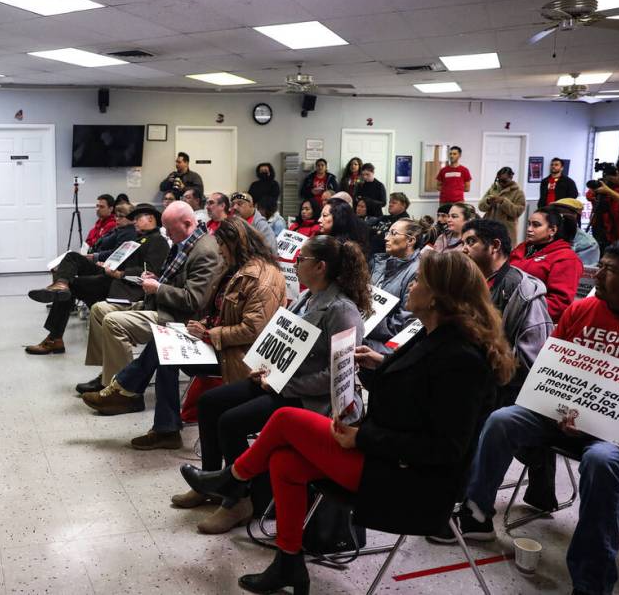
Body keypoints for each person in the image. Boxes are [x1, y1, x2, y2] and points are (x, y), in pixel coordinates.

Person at [182, 251, 511, 595]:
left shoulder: (461, 358)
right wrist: (380, 366)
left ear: (438, 297)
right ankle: (289, 563)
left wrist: (361, 439)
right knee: (283, 462)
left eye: (420, 281)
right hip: (388, 457)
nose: (411, 286)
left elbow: (444, 448)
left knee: (283, 420)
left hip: (413, 481)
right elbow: (417, 388)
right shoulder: (434, 334)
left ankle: (232, 479)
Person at [432, 240, 619, 595]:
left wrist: (594, 418)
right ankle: (476, 513)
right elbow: (554, 366)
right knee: (502, 419)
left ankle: (592, 580)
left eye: (610, 269)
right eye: (601, 265)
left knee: (601, 461)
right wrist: (562, 407)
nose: (598, 273)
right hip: (563, 412)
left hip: (615, 435)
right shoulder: (582, 309)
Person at [173, 235, 371, 535]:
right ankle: (211, 481)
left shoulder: (342, 310)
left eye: (301, 259)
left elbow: (336, 376)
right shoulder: (308, 297)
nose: (295, 262)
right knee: (209, 403)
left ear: (319, 266)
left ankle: (239, 500)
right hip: (279, 382)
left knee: (231, 421)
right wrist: (264, 366)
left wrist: (285, 385)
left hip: (310, 398)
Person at [81, 218, 285, 450]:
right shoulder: (235, 269)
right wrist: (205, 325)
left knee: (164, 349)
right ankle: (149, 413)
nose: (219, 251)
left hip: (239, 357)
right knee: (164, 345)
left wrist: (209, 333)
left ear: (235, 244)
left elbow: (252, 330)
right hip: (222, 344)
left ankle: (131, 396)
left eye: (222, 246)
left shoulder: (261, 278)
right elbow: (218, 310)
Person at [78, 202, 223, 393]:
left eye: (170, 229)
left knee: (113, 321)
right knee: (98, 309)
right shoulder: (184, 243)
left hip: (180, 318)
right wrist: (156, 280)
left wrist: (158, 287)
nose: (167, 234)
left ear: (187, 223)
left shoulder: (204, 251)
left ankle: (123, 389)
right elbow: (174, 280)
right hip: (160, 305)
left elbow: (194, 301)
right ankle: (110, 374)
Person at [25, 204, 169, 355]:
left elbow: (150, 274)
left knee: (72, 286)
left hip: (125, 286)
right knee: (72, 257)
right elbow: (120, 257)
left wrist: (120, 273)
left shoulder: (158, 241)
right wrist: (106, 264)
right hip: (111, 275)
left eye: (138, 218)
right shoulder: (139, 239)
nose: (134, 222)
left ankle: (54, 338)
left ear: (151, 218)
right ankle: (61, 284)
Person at [460, 219, 553, 406]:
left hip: (503, 389)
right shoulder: (467, 281)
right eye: (463, 243)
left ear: (494, 245)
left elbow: (531, 361)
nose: (463, 249)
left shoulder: (523, 289)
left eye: (471, 242)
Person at [510, 206, 584, 324]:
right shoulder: (523, 248)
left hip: (534, 323)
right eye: (529, 224)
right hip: (507, 313)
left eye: (536, 225)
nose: (529, 229)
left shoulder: (566, 258)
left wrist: (519, 313)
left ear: (552, 230)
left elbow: (559, 304)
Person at [364, 218, 426, 353]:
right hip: (367, 335)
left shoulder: (418, 272)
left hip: (386, 347)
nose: (386, 238)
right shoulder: (380, 262)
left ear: (410, 240)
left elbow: (404, 322)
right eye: (387, 233)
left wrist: (363, 323)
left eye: (393, 233)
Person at [478, 166, 526, 246]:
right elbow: (480, 207)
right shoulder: (493, 189)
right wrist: (488, 201)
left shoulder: (518, 193)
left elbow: (518, 212)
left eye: (504, 181)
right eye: (499, 180)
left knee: (504, 252)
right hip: (489, 227)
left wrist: (503, 202)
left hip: (507, 230)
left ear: (511, 177)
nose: (501, 183)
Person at [586, 162, 619, 250]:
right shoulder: (614, 189)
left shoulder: (614, 191)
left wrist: (608, 191)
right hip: (610, 233)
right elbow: (590, 196)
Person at [552, 198, 601, 266]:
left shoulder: (587, 243)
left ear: (576, 217)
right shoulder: (546, 234)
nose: (560, 217)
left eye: (564, 214)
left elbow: (585, 272)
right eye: (556, 213)